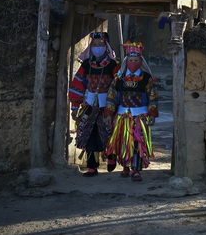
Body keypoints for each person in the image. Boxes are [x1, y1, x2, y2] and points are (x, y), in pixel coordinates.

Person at [104, 41, 159, 182]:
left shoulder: (147, 79)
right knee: (123, 141)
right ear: (126, 61)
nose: (133, 62)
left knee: (138, 142)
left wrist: (152, 114)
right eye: (130, 60)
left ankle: (136, 170)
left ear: (141, 61)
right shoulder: (119, 78)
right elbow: (111, 96)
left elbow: (153, 97)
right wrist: (109, 113)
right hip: (123, 116)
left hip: (140, 116)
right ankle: (125, 167)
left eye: (136, 60)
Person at [68, 32, 120, 177]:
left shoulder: (113, 66)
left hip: (108, 107)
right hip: (90, 105)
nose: (97, 47)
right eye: (95, 45)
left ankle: (111, 156)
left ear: (106, 47)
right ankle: (92, 167)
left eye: (101, 44)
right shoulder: (86, 64)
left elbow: (119, 87)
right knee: (88, 133)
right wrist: (74, 106)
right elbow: (77, 85)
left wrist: (118, 106)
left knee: (109, 132)